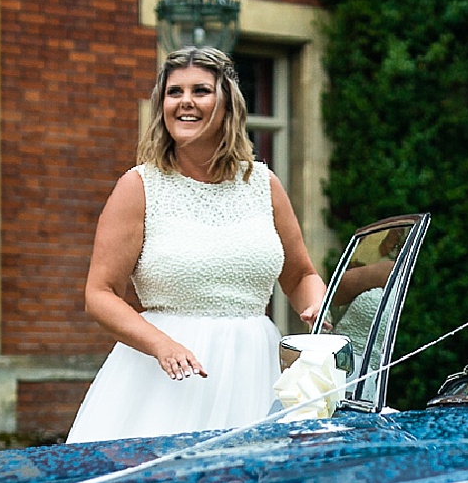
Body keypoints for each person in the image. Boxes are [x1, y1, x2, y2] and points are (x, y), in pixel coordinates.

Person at [65, 46, 328, 444]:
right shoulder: (139, 187)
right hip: (167, 376)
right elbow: (99, 294)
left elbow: (301, 275)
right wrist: (161, 345)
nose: (185, 102)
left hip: (255, 368)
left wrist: (317, 305)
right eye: (174, 92)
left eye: (201, 90)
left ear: (228, 104)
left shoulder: (263, 184)